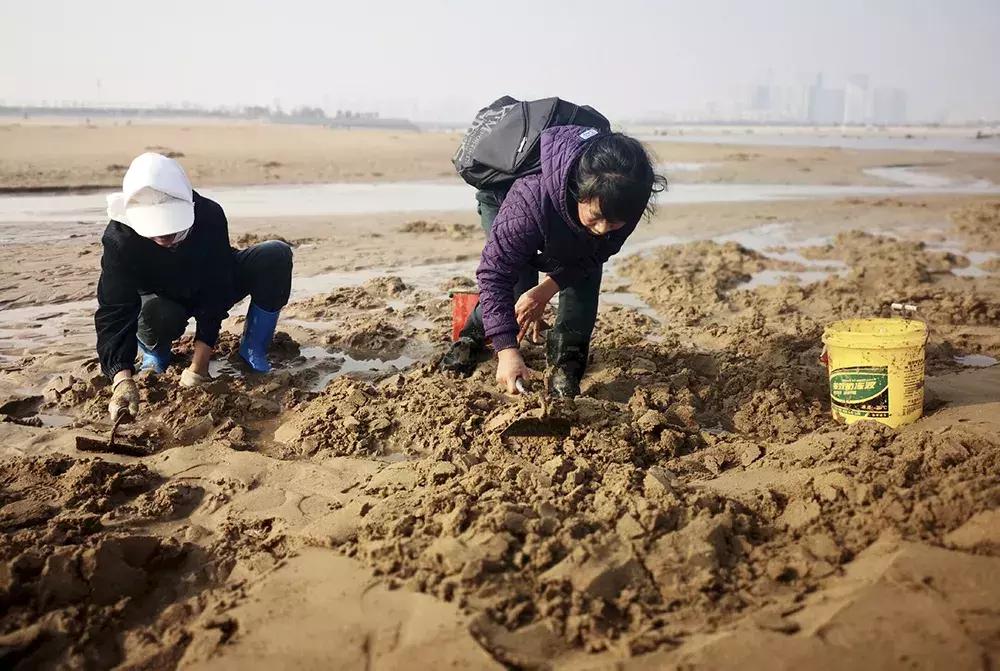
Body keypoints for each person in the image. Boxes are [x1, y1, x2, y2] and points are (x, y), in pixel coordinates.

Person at [440, 126, 665, 397]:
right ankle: (470, 338)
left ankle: (565, 369)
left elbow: (599, 251)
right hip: (504, 199)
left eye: (615, 222)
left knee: (584, 279)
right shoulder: (530, 200)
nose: (603, 229)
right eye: (595, 216)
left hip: (557, 211)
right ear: (579, 191)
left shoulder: (627, 197)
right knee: (515, 287)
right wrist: (508, 352)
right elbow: (495, 273)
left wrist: (546, 290)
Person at [97, 152, 293, 421]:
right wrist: (121, 378)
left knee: (275, 255)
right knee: (156, 311)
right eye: (156, 230)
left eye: (171, 229)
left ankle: (253, 348)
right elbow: (115, 309)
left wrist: (199, 366)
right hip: (161, 300)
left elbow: (216, 289)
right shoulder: (119, 238)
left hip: (209, 280)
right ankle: (156, 353)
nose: (164, 237)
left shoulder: (209, 215)